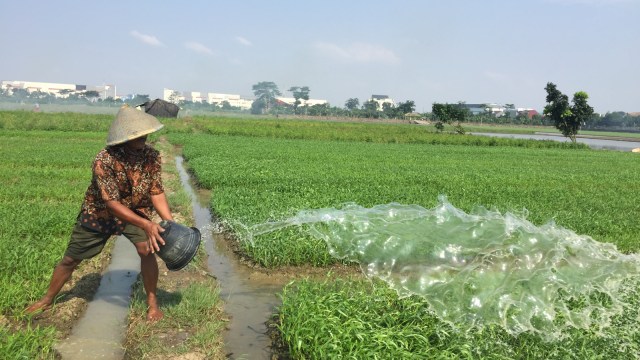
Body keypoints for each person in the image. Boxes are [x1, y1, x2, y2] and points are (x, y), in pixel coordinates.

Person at [26, 105, 172, 321]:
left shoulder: (151, 156)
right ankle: (47, 299)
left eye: (145, 133)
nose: (144, 137)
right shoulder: (104, 160)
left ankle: (152, 302)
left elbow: (156, 191)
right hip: (100, 212)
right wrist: (147, 225)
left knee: (146, 250)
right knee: (71, 259)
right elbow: (111, 204)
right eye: (138, 134)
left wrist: (169, 222)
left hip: (134, 210)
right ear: (124, 137)